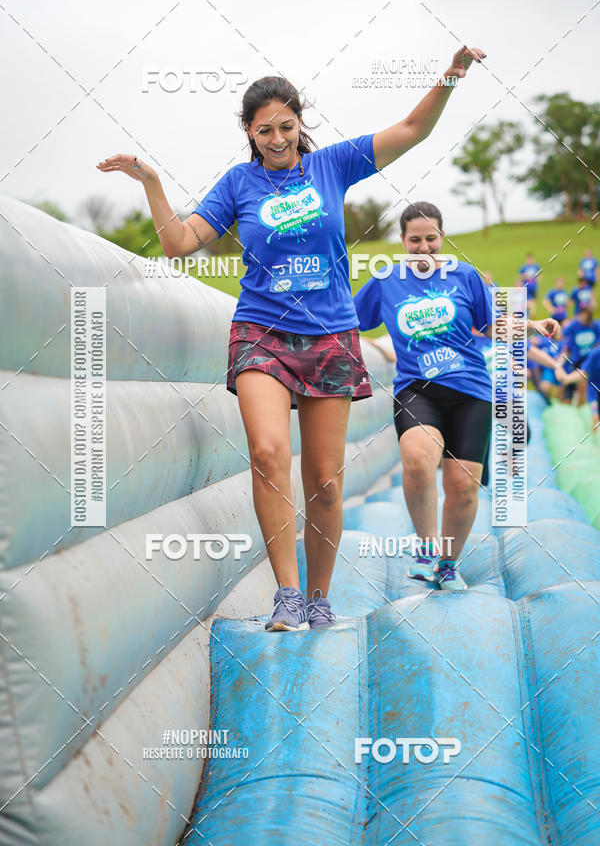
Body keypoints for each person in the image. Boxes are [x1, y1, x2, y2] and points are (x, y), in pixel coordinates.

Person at [97, 47, 487, 630]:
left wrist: (449, 80)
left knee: (325, 483)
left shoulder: (333, 165)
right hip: (261, 332)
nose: (276, 139)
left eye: (285, 126)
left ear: (300, 123)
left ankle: (319, 596)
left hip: (331, 335)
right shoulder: (238, 184)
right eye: (263, 131)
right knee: (268, 453)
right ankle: (285, 592)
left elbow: (412, 129)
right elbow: (179, 242)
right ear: (249, 134)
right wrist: (151, 181)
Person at [354, 202, 559, 591]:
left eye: (431, 238)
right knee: (417, 458)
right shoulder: (386, 280)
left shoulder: (464, 276)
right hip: (417, 389)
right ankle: (427, 548)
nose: (424, 247)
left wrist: (532, 325)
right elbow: (348, 319)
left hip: (471, 392)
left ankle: (447, 564)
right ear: (402, 241)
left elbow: (492, 326)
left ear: (442, 238)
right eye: (415, 240)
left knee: (463, 486)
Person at [556, 305, 600, 403]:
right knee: (569, 384)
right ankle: (563, 401)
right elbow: (562, 335)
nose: (583, 317)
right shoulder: (574, 325)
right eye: (581, 314)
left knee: (583, 384)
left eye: (585, 315)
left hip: (589, 358)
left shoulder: (594, 325)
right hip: (577, 359)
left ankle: (581, 405)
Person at [557, 343, 600, 434]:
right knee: (594, 417)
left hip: (593, 391)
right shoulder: (596, 354)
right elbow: (583, 373)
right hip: (594, 391)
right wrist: (566, 379)